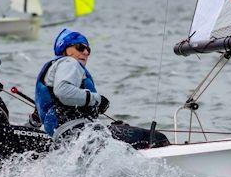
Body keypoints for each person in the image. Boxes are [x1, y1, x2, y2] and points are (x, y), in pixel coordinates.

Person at [35, 28, 169, 149]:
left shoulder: (53, 71)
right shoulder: (69, 62)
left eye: (88, 49)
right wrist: (97, 100)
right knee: (157, 138)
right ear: (66, 50)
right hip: (81, 132)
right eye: (80, 47)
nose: (86, 52)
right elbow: (63, 92)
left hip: (66, 137)